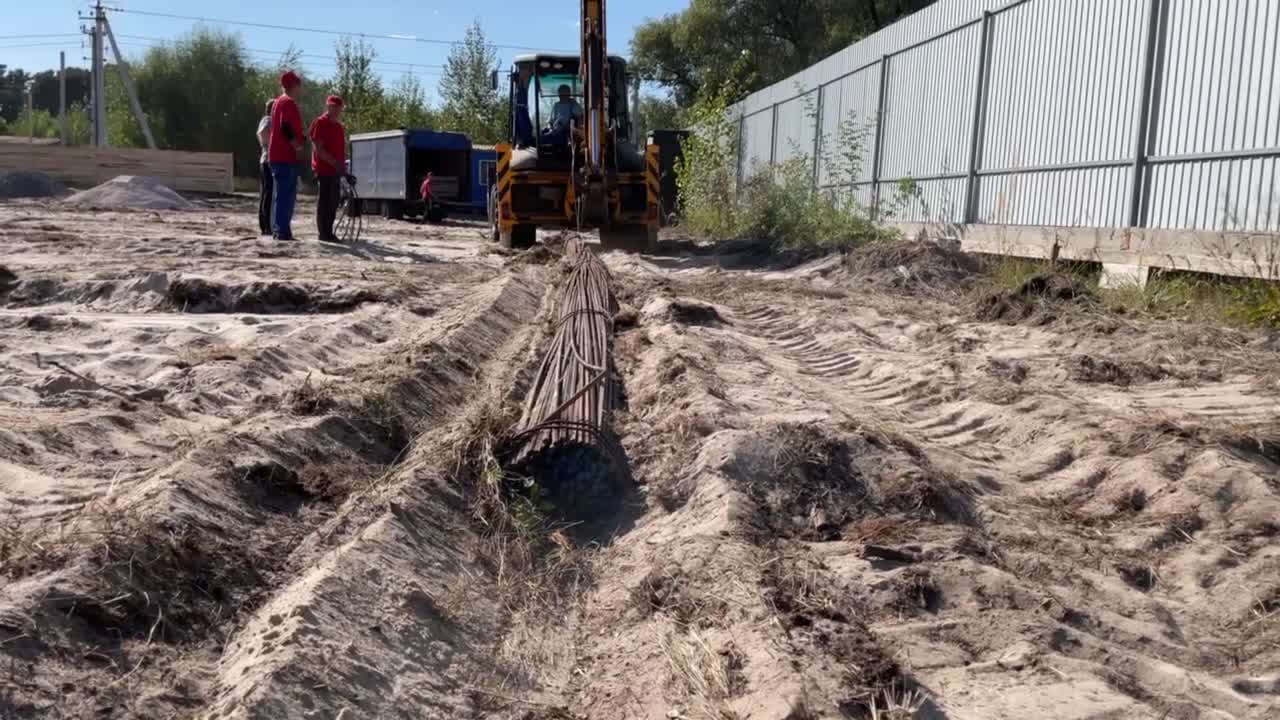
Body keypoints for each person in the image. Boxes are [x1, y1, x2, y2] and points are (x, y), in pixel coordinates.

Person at [268, 70, 305, 241]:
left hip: (277, 155)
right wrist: (297, 146)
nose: (300, 88)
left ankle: (281, 229)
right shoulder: (288, 102)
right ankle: (282, 231)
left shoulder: (277, 102)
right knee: (285, 195)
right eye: (299, 85)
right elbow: (285, 127)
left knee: (281, 194)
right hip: (285, 156)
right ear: (293, 86)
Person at [309, 95, 347, 242]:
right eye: (334, 107)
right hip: (324, 169)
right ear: (328, 107)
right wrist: (334, 162)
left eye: (339, 108)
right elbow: (319, 149)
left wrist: (342, 168)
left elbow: (340, 151)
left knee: (334, 201)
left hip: (335, 170)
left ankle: (329, 231)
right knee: (325, 201)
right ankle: (323, 233)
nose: (337, 110)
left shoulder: (338, 127)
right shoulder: (320, 123)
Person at [255, 99, 274, 236]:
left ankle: (265, 224)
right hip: (268, 160)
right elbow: (263, 134)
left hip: (265, 159)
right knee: (268, 193)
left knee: (266, 193)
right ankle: (266, 225)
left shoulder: (265, 120)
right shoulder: (268, 120)